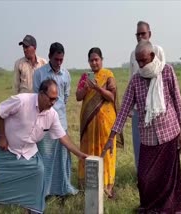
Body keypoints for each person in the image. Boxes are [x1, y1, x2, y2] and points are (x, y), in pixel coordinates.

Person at [102, 40, 181, 213]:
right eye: (138, 61)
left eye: (144, 60)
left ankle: (168, 208)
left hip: (169, 133)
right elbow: (124, 109)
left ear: (152, 56)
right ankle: (151, 206)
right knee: (145, 177)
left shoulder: (167, 71)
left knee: (168, 178)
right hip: (148, 138)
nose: (141, 65)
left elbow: (177, 100)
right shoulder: (136, 80)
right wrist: (112, 137)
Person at [0, 79, 88, 214]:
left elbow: (63, 137)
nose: (53, 103)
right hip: (7, 147)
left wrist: (79, 154)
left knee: (39, 172)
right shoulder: (22, 101)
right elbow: (0, 110)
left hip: (28, 151)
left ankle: (32, 209)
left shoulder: (52, 114)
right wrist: (2, 137)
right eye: (51, 99)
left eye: (56, 99)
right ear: (41, 94)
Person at [76, 47, 124, 199]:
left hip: (106, 123)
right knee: (89, 151)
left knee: (106, 152)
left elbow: (111, 96)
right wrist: (86, 87)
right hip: (89, 122)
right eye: (91, 60)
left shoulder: (108, 75)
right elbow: (78, 97)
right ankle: (88, 186)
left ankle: (107, 187)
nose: (94, 63)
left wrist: (97, 88)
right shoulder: (85, 77)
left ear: (101, 60)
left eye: (96, 59)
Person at [33, 42, 75, 197]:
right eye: (56, 59)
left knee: (62, 160)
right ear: (49, 56)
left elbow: (65, 97)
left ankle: (62, 190)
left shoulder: (66, 74)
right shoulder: (39, 74)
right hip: (43, 123)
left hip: (61, 122)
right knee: (45, 158)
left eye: (61, 60)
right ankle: (46, 191)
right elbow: (36, 98)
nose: (58, 63)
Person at [129, 21, 166, 172]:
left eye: (143, 33)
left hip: (156, 107)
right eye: (138, 34)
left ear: (149, 34)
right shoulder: (133, 54)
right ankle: (142, 175)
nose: (140, 36)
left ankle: (157, 174)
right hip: (139, 108)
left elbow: (162, 75)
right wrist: (131, 108)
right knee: (139, 144)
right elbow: (132, 78)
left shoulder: (157, 50)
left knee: (158, 143)